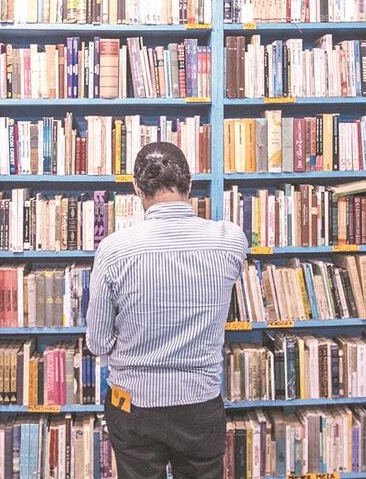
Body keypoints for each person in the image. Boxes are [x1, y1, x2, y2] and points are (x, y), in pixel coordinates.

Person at [86, 141, 248, 479]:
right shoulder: (230, 239)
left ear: (136, 188)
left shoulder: (114, 249)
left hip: (133, 402)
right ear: (190, 184)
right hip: (199, 402)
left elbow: (98, 343)